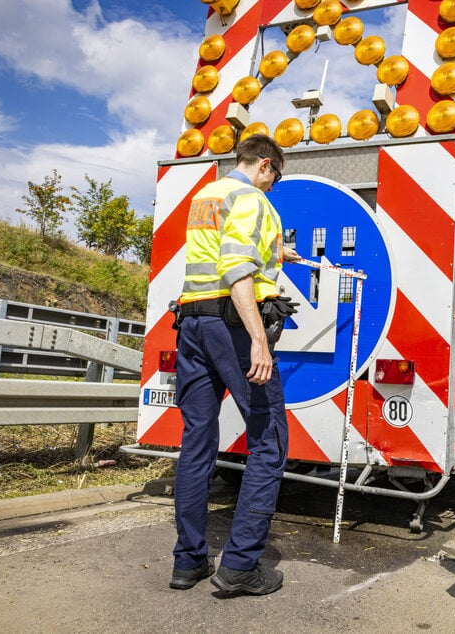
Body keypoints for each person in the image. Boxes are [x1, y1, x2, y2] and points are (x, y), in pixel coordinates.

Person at [168, 134, 301, 596]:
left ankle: (188, 562)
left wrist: (276, 253)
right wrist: (259, 342)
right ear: (265, 165)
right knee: (268, 441)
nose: (273, 187)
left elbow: (220, 249)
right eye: (275, 178)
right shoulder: (253, 199)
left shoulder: (208, 196)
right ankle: (242, 565)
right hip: (233, 329)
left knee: (197, 442)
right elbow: (236, 267)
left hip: (192, 324)